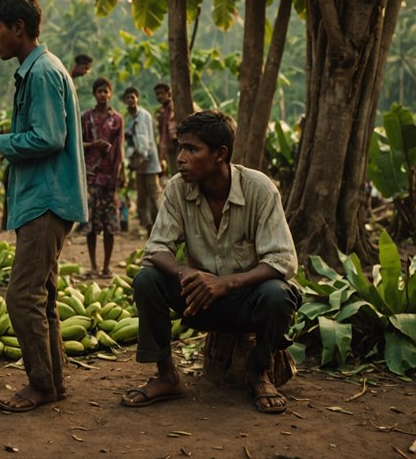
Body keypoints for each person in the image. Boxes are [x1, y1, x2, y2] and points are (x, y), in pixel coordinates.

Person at [0, 0, 88, 413]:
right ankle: (53, 382)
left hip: (46, 199)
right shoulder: (34, 72)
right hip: (41, 196)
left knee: (21, 296)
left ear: (18, 29)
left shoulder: (43, 73)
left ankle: (41, 385)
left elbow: (50, 137)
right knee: (41, 295)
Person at [120, 110, 300, 414]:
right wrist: (186, 272)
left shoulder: (260, 189)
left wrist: (224, 282)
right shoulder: (178, 188)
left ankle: (260, 372)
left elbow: (282, 260)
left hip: (246, 302)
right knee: (146, 279)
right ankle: (167, 376)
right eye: (181, 148)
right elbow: (155, 249)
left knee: (277, 294)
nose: (180, 157)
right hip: (198, 302)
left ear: (220, 154)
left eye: (192, 149)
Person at [80, 77, 124, 278]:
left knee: (110, 225)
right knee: (90, 226)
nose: (103, 95)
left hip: (109, 178)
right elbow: (77, 144)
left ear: (110, 94)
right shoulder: (86, 118)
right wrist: (93, 145)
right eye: (99, 91)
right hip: (90, 177)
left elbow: (120, 149)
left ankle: (106, 267)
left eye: (106, 91)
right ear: (94, 94)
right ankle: (93, 266)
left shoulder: (117, 119)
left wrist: (118, 174)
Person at [123, 86, 161, 232]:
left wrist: (144, 158)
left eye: (132, 97)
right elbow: (130, 140)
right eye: (127, 98)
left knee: (154, 195)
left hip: (148, 162)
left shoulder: (143, 115)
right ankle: (149, 229)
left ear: (137, 98)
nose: (130, 100)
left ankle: (161, 229)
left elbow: (145, 139)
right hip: (138, 163)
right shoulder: (130, 118)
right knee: (142, 199)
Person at [153, 82, 177, 177]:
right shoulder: (161, 111)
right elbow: (162, 133)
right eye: (157, 94)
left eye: (162, 93)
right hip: (170, 147)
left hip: (177, 144)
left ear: (169, 94)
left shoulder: (175, 106)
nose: (159, 96)